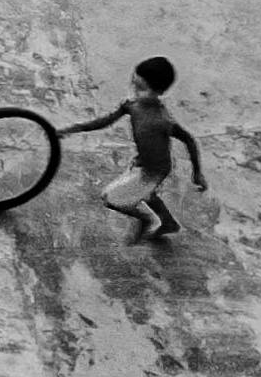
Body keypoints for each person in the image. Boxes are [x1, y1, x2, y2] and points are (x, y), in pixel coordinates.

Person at [64, 57, 206, 243]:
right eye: (134, 85)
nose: (135, 93)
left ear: (160, 92)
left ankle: (145, 219)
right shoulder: (132, 106)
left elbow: (188, 140)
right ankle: (168, 223)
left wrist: (197, 173)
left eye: (142, 89)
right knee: (147, 194)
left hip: (154, 171)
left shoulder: (162, 120)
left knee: (110, 198)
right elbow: (105, 121)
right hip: (141, 163)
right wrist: (77, 128)